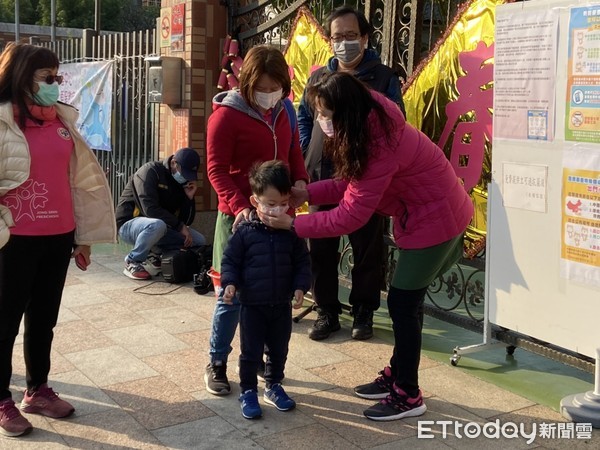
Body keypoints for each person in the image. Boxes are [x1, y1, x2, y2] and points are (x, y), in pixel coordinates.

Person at [262, 72, 474, 421]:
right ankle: (398, 373)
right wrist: (307, 193)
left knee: (404, 304)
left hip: (438, 221)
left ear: (346, 113)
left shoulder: (380, 145)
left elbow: (349, 216)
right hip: (428, 214)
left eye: (326, 114)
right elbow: (351, 183)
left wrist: (293, 224)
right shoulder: (372, 128)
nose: (321, 121)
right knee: (408, 303)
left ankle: (408, 393)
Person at [0, 43, 116, 437]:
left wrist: (82, 238)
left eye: (58, 76)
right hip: (12, 240)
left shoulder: (61, 120)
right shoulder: (2, 122)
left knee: (43, 320)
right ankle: (2, 399)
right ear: (21, 77)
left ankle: (38, 390)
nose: (56, 83)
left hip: (58, 236)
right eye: (48, 77)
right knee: (4, 323)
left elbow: (77, 184)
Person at [204, 45, 309, 396]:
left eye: (275, 86)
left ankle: (267, 362)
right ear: (247, 84)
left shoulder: (286, 111)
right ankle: (218, 362)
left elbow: (294, 151)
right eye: (261, 88)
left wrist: (300, 182)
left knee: (273, 293)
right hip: (239, 217)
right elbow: (216, 169)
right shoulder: (225, 116)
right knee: (231, 295)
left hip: (279, 215)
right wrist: (240, 208)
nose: (268, 94)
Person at [297, 6, 406, 341]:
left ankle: (363, 312)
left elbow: (396, 124)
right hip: (322, 171)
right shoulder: (318, 78)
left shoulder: (383, 77)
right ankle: (327, 311)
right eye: (337, 37)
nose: (343, 43)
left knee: (368, 246)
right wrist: (306, 148)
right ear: (329, 40)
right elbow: (303, 115)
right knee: (322, 245)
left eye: (350, 36)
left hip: (365, 173)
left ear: (364, 37)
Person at [220, 160, 310, 419]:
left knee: (279, 349)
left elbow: (303, 262)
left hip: (281, 305)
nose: (277, 210)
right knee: (251, 351)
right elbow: (231, 262)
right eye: (270, 204)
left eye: (283, 204)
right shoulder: (245, 232)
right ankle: (248, 390)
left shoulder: (292, 232)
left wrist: (300, 287)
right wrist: (230, 284)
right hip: (253, 306)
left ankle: (273, 386)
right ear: (255, 200)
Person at [115, 147, 206, 280]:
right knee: (157, 225)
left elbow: (185, 220)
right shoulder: (150, 171)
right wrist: (179, 226)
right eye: (183, 172)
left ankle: (156, 255)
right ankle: (132, 261)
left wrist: (189, 198)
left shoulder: (181, 183)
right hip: (129, 224)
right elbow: (150, 209)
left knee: (199, 240)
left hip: (160, 228)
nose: (185, 177)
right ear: (174, 162)